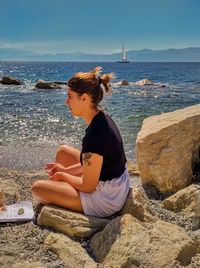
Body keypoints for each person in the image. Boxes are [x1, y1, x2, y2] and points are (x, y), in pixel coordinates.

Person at [32, 66, 130, 217]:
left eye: (70, 96)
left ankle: (68, 194)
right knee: (63, 151)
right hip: (114, 180)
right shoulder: (100, 116)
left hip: (107, 197)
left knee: (37, 188)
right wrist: (64, 170)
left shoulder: (96, 135)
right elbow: (92, 163)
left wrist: (64, 176)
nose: (66, 102)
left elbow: (88, 186)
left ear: (84, 98)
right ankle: (66, 190)